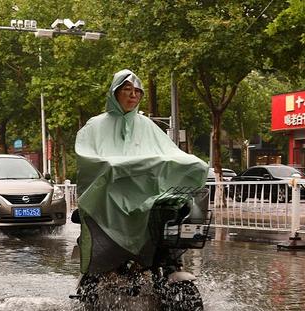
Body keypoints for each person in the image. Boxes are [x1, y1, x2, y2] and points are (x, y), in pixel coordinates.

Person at [74, 69, 208, 275]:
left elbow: (169, 152)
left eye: (138, 91)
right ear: (115, 92)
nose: (133, 95)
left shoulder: (147, 125)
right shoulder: (95, 125)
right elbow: (87, 158)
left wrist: (194, 163)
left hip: (145, 195)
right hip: (110, 195)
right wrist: (111, 167)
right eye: (127, 89)